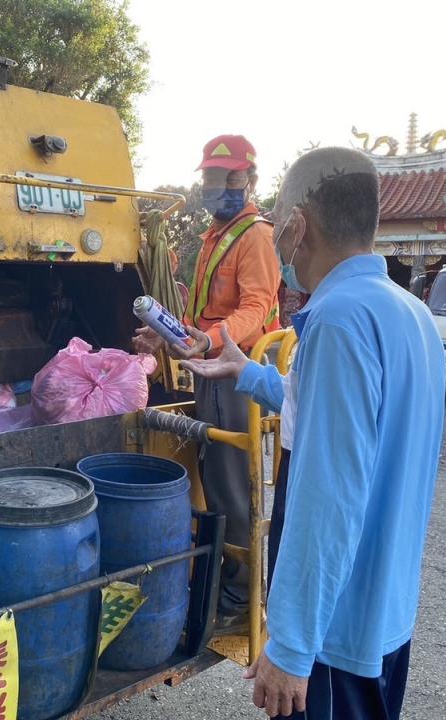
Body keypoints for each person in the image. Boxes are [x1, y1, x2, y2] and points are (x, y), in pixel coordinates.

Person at [181, 147, 446, 719]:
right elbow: (337, 416)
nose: (277, 232)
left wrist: (293, 646)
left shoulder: (337, 319)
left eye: (280, 218)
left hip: (335, 629)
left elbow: (330, 493)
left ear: (299, 223)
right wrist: (249, 373)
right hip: (385, 612)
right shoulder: (408, 314)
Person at [133, 134, 281, 628]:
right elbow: (200, 312)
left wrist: (211, 341)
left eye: (230, 178)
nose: (219, 187)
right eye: (213, 178)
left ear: (250, 180)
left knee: (233, 484)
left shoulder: (256, 235)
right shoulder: (215, 236)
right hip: (212, 366)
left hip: (236, 372)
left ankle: (239, 595)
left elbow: (256, 307)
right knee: (216, 479)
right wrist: (165, 333)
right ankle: (226, 575)